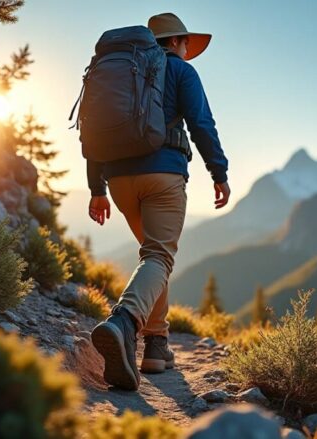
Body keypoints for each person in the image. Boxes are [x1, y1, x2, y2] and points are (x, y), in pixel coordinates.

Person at [87, 12, 230, 391]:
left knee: (152, 257)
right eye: (186, 43)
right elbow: (202, 123)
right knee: (159, 257)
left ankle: (155, 345)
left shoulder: (124, 72)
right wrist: (220, 173)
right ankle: (123, 322)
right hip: (163, 175)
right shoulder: (181, 72)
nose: (187, 50)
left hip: (118, 181)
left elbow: (95, 127)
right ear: (177, 42)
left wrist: (96, 188)